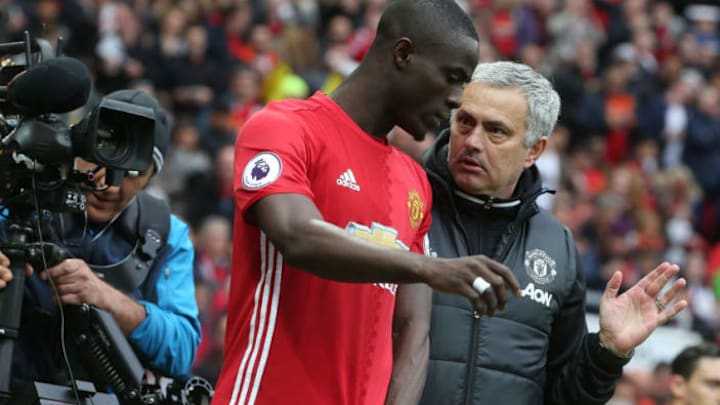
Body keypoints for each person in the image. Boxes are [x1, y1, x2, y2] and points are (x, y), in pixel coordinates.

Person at [213, 1, 522, 405]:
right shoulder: (283, 128)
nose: (456, 100)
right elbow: (297, 235)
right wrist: (428, 267)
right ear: (404, 54)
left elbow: (413, 331)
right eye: (452, 78)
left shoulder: (415, 184)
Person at [418, 61, 688, 405]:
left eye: (496, 131)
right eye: (465, 122)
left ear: (535, 151)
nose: (472, 141)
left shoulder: (556, 245)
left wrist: (607, 352)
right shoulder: (406, 204)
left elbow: (563, 397)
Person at [0, 90, 201, 394]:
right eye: (99, 154)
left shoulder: (165, 234)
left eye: (132, 170)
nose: (107, 183)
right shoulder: (22, 194)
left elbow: (182, 349)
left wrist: (109, 300)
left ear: (150, 177)